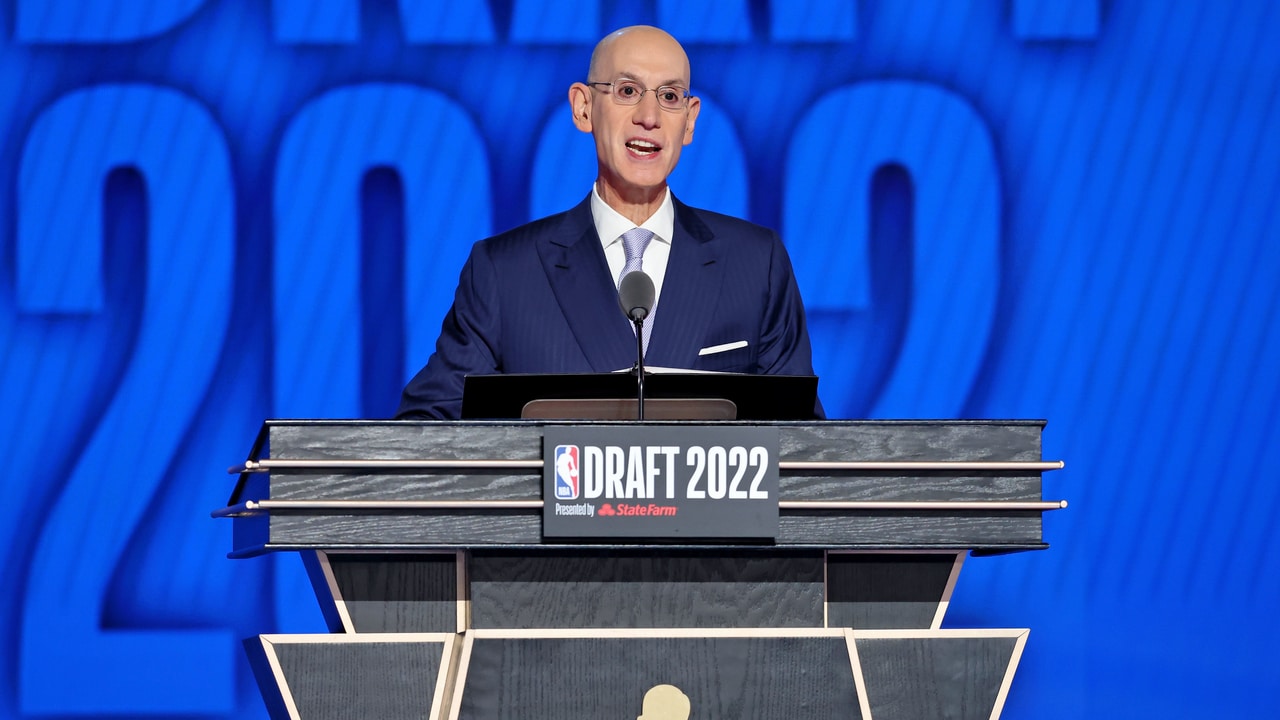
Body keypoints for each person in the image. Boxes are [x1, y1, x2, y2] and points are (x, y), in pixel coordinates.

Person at [397, 25, 821, 419]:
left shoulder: (755, 263)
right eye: (628, 90)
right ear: (584, 108)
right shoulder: (505, 272)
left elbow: (805, 441)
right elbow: (427, 427)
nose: (649, 116)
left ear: (689, 121)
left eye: (669, 96)